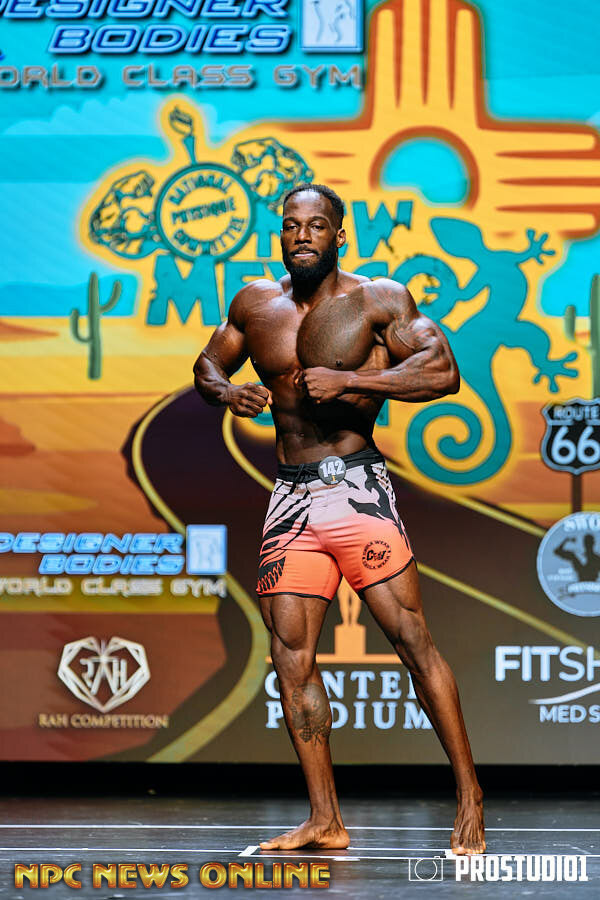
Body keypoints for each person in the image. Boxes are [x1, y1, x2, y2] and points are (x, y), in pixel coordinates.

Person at [193, 183, 485, 855]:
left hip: (357, 490)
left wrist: (355, 381)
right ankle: (325, 820)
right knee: (291, 659)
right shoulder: (254, 304)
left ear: (338, 235)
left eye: (316, 225)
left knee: (412, 641)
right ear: (281, 234)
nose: (302, 235)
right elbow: (207, 364)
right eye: (292, 225)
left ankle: (470, 796)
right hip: (290, 499)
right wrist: (227, 390)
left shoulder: (379, 299)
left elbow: (442, 372)